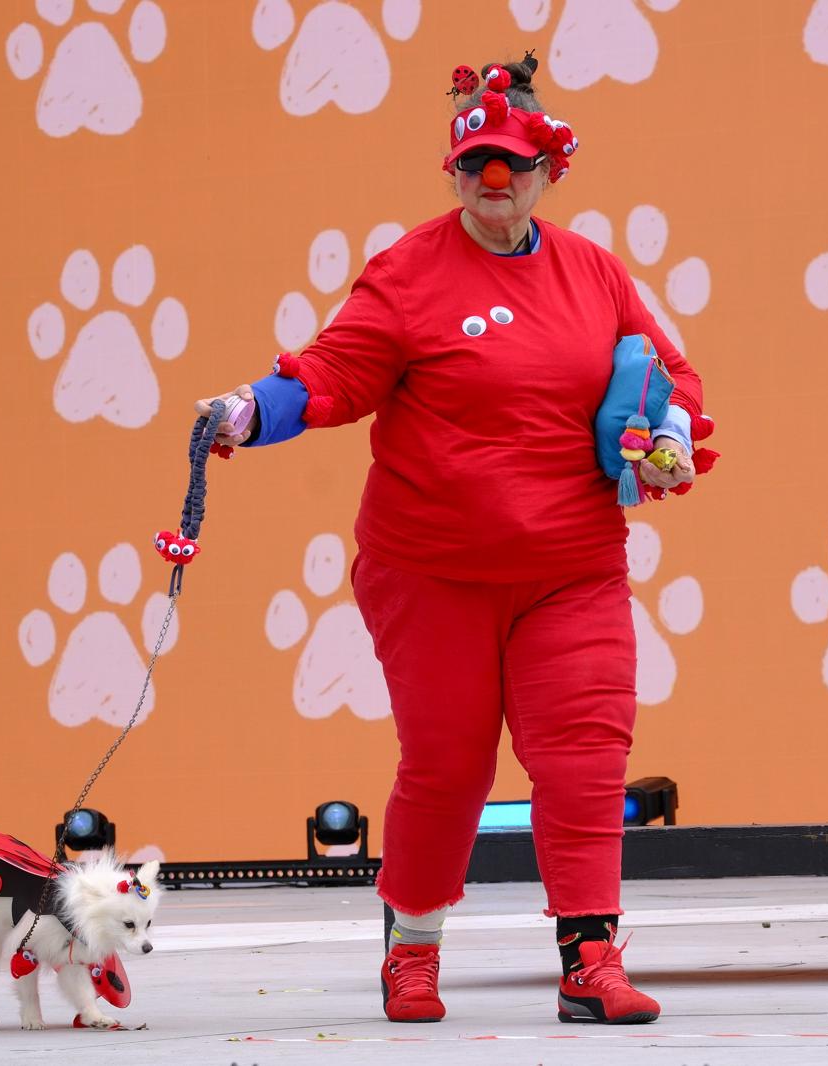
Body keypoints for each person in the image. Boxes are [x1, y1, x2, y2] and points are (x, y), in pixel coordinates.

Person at [197, 53, 715, 1025]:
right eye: (478, 163)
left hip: (571, 566)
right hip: (432, 569)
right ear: (453, 170)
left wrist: (672, 435)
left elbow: (668, 380)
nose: (496, 182)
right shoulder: (409, 273)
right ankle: (414, 950)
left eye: (515, 163)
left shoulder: (594, 272)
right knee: (448, 763)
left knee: (585, 755)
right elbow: (331, 376)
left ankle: (590, 957)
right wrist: (244, 411)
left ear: (548, 169)